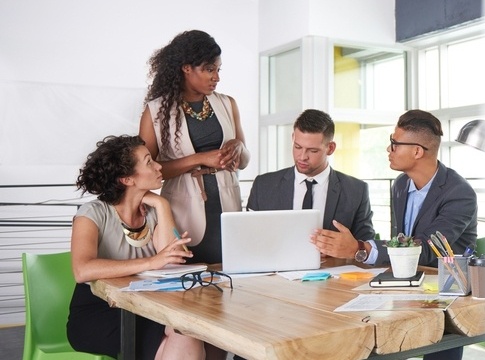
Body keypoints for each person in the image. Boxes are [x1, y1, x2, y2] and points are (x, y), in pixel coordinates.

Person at [312, 109, 477, 359]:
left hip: (448, 294)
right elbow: (400, 241)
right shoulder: (400, 185)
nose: (388, 150)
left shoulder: (459, 193)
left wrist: (360, 248)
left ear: (417, 151)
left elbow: (428, 249)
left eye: (394, 143)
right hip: (406, 285)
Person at [67, 135, 203, 360]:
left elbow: (172, 257)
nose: (159, 166)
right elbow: (82, 270)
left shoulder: (153, 212)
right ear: (127, 179)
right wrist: (151, 262)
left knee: (190, 330)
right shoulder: (92, 213)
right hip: (99, 313)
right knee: (185, 334)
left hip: (146, 307)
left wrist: (162, 204)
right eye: (149, 162)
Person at [139, 29, 249, 266]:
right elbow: (145, 173)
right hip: (182, 212)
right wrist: (199, 159)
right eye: (209, 69)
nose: (216, 77)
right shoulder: (156, 111)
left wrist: (239, 148)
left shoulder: (228, 104)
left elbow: (246, 159)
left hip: (227, 208)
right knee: (187, 288)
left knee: (230, 285)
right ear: (186, 67)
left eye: (218, 69)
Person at [248, 109, 376, 248]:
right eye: (297, 147)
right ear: (293, 138)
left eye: (313, 150)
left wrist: (348, 250)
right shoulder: (263, 186)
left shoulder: (356, 190)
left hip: (333, 269)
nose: (302, 156)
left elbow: (366, 246)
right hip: (276, 269)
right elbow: (249, 239)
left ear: (331, 148)